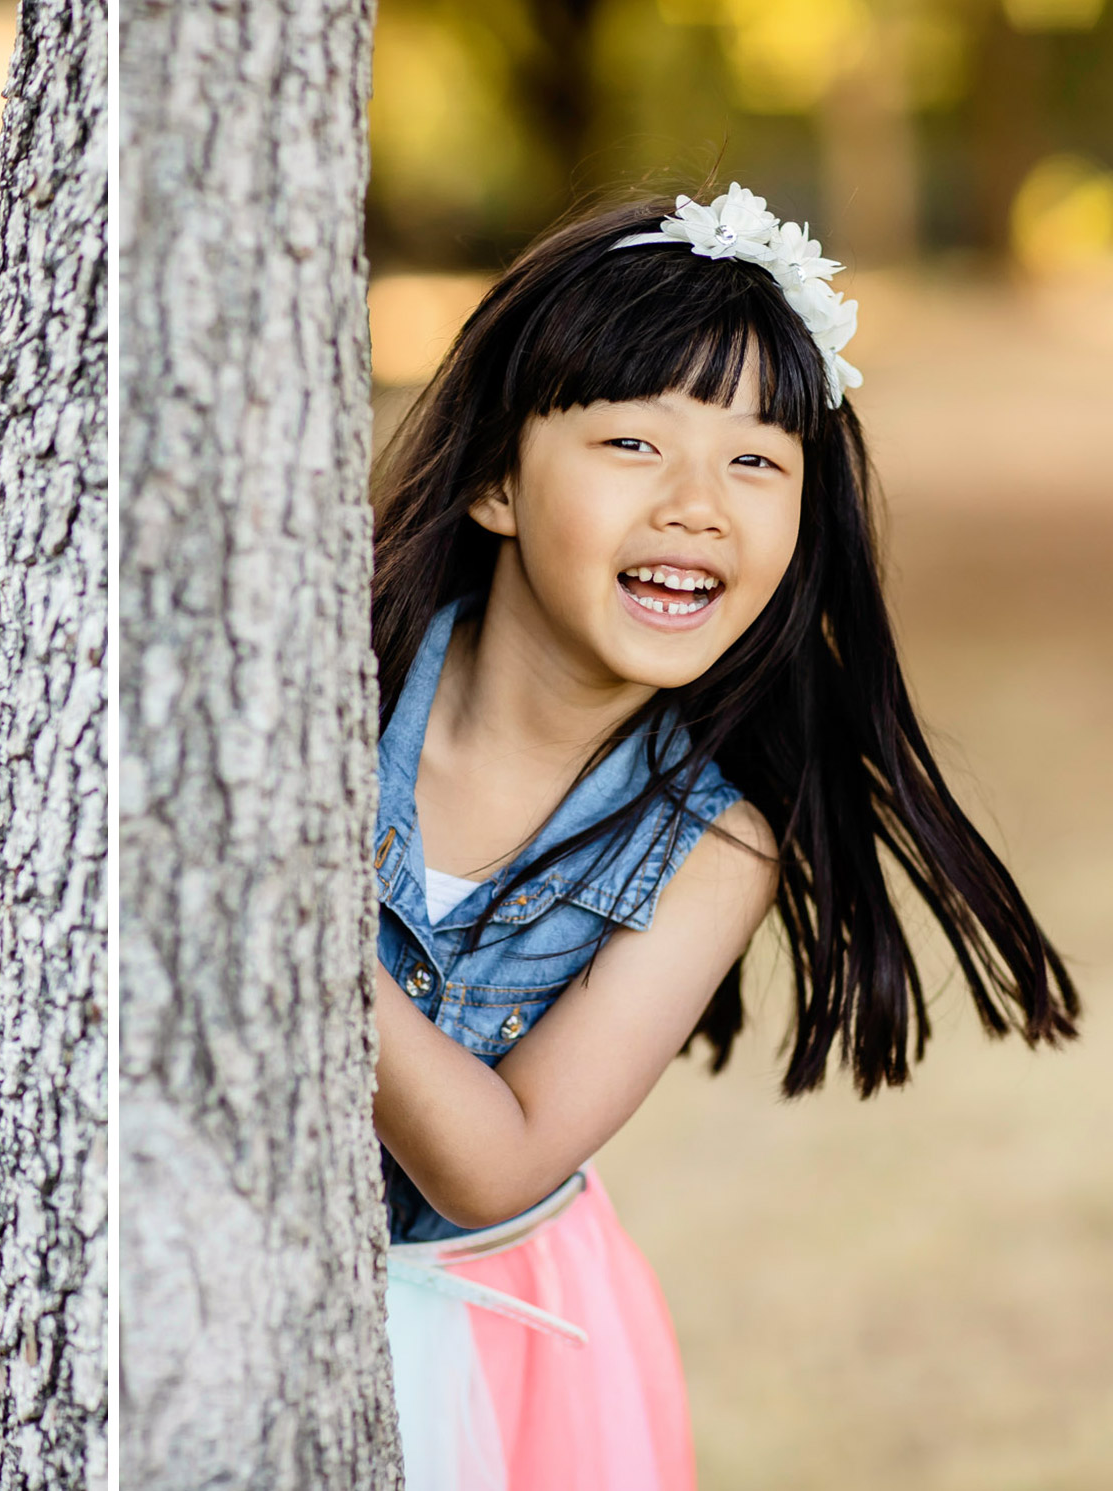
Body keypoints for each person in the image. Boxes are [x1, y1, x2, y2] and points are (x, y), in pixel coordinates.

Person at [366, 184, 1076, 1489]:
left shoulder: (710, 849)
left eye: (757, 461)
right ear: (494, 485)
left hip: (477, 1336)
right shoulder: (325, 691)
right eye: (634, 444)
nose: (700, 503)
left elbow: (498, 1163)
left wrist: (288, 932)